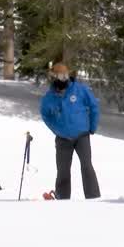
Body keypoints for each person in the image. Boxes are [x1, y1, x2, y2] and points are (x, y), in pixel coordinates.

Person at [39, 63, 101, 199]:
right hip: (63, 139)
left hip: (81, 136)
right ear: (54, 77)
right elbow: (45, 115)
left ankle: (93, 197)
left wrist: (92, 127)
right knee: (63, 170)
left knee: (87, 166)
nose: (64, 78)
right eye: (61, 75)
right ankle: (62, 197)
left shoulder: (80, 90)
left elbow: (94, 107)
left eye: (66, 75)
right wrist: (56, 129)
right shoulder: (49, 97)